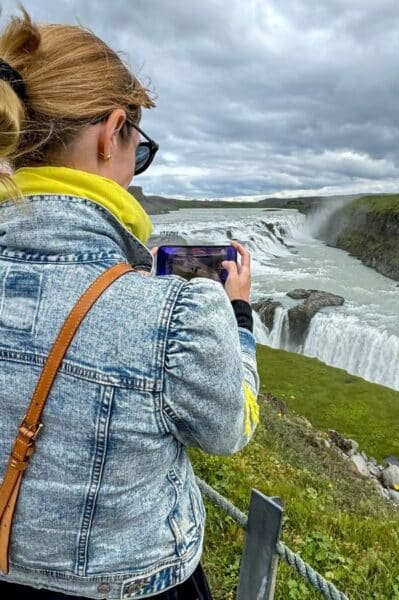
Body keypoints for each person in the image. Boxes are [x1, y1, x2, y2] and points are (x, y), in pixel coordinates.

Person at [0, 6, 259, 599]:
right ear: (109, 132)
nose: (135, 170)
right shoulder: (178, 315)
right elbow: (230, 430)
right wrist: (237, 319)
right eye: (139, 151)